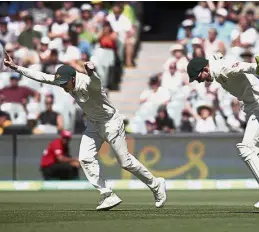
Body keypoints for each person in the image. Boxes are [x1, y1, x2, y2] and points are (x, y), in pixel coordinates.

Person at [4, 52, 166, 211]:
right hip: (93, 124)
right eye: (60, 83)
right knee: (85, 158)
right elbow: (42, 76)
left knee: (125, 163)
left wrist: (92, 73)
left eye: (64, 84)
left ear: (73, 79)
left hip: (111, 123)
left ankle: (155, 184)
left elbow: (96, 83)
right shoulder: (64, 79)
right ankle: (107, 194)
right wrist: (16, 67)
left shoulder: (88, 83)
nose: (62, 86)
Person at [186, 54, 259, 211]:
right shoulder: (216, 67)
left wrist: (258, 68)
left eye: (198, 76)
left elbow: (241, 66)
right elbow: (224, 61)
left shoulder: (221, 69)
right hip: (258, 106)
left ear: (205, 69)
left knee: (246, 148)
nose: (199, 81)